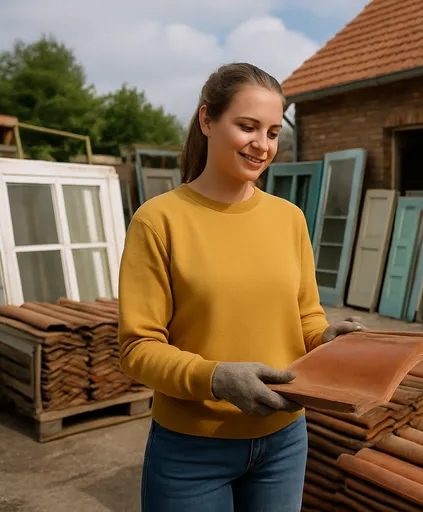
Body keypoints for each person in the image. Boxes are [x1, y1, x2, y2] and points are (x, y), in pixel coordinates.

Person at [117, 62, 364, 512]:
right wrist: (217, 378)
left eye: (272, 132)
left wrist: (327, 340)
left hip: (285, 441)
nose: (262, 145)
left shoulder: (289, 219)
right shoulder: (159, 221)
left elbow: (306, 316)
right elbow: (137, 348)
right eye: (247, 127)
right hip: (192, 450)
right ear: (207, 119)